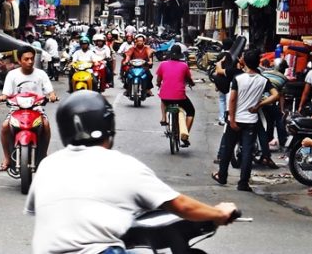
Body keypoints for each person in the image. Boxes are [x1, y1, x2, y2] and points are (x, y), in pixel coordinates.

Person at [25, 91, 238, 254]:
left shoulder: (47, 165)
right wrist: (219, 212)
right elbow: (181, 206)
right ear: (108, 124)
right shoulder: (122, 165)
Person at [212, 49, 280, 192]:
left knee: (228, 149)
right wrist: (259, 105)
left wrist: (231, 119)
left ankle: (222, 175)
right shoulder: (263, 80)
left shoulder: (238, 79)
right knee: (248, 152)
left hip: (236, 119)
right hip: (251, 120)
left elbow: (232, 99)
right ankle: (243, 183)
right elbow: (276, 95)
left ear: (245, 62)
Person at [0, 48, 57, 172]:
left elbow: (50, 91)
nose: (30, 62)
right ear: (19, 60)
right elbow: (6, 94)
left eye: (32, 59)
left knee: (46, 125)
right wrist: (0, 98)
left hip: (36, 109)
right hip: (16, 110)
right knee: (5, 126)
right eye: (26, 59)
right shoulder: (12, 74)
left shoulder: (41, 74)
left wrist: (52, 96)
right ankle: (6, 158)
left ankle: (43, 154)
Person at [156, 44, 196, 147]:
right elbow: (189, 79)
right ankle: (185, 134)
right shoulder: (184, 66)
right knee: (191, 111)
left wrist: (158, 84)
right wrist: (191, 83)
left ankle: (164, 118)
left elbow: (159, 79)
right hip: (180, 97)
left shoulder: (163, 64)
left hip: (165, 96)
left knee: (163, 98)